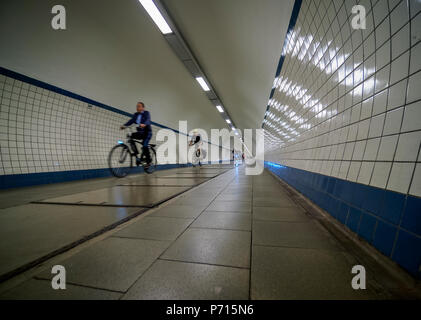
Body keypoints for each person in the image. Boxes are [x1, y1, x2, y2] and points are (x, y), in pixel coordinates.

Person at [120, 102, 152, 166]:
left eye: (139, 106)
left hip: (147, 133)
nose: (137, 108)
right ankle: (136, 154)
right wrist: (124, 125)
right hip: (140, 133)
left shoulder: (146, 113)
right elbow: (131, 121)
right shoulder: (136, 114)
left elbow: (148, 120)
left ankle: (149, 161)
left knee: (145, 145)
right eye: (137, 106)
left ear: (143, 108)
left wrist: (144, 124)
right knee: (130, 137)